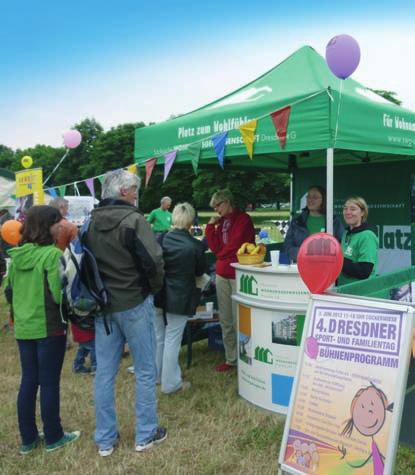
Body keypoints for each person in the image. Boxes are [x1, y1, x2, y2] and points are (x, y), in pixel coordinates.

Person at [84, 169, 165, 456]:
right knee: (144, 370)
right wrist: (151, 290)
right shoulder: (134, 220)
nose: (136, 194)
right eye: (133, 189)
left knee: (104, 372)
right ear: (123, 193)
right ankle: (145, 434)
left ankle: (105, 440)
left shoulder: (89, 222)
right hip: (133, 302)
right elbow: (154, 262)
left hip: (103, 307)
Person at [4, 205, 80, 454]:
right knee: (48, 383)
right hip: (48, 327)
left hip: (24, 327)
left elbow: (10, 292)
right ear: (47, 226)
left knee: (29, 381)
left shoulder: (17, 256)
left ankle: (28, 439)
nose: (61, 225)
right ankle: (53, 436)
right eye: (57, 222)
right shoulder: (51, 255)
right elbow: (58, 295)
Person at [154, 202, 207, 393]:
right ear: (191, 221)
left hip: (158, 293)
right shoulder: (194, 245)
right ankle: (170, 384)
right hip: (179, 295)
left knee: (159, 337)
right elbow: (200, 270)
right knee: (172, 339)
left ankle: (158, 376)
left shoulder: (159, 239)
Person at [205, 189, 255, 372]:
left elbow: (236, 246)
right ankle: (231, 358)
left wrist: (220, 255)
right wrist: (210, 227)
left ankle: (245, 357)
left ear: (227, 202)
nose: (216, 209)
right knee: (225, 319)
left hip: (238, 274)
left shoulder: (243, 219)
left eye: (218, 205)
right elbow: (214, 245)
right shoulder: (222, 222)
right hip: (222, 274)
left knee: (239, 320)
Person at [284, 185, 343, 263]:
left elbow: (341, 245)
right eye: (308, 197)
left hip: (327, 266)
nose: (310, 200)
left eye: (315, 197)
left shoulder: (334, 221)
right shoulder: (297, 222)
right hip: (301, 267)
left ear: (323, 200)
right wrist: (304, 253)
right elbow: (288, 246)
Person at [338, 196, 378, 286]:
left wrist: (337, 261)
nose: (348, 212)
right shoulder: (346, 233)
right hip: (344, 291)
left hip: (361, 294)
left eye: (353, 209)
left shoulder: (367, 236)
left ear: (362, 212)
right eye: (345, 209)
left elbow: (364, 272)